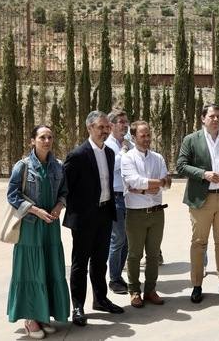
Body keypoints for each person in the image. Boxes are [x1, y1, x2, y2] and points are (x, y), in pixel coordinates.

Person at [6, 125, 69, 339]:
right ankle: (30, 318)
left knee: (49, 269)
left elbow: (64, 192)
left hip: (50, 227)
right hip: (30, 227)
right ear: (32, 140)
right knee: (31, 271)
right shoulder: (22, 166)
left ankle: (43, 315)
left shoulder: (58, 166)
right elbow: (13, 195)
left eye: (50, 137)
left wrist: (59, 207)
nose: (47, 140)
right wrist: (35, 210)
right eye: (42, 137)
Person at [63, 111, 124, 327]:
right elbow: (65, 187)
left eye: (107, 127)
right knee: (80, 264)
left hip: (105, 214)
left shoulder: (109, 153)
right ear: (89, 128)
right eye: (101, 127)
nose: (105, 131)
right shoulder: (78, 155)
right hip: (84, 218)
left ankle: (100, 299)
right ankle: (78, 306)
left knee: (100, 262)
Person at [176, 103, 219, 303]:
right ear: (203, 118)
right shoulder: (191, 140)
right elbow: (181, 165)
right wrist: (204, 174)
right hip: (200, 200)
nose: (216, 120)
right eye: (212, 116)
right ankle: (196, 285)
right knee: (199, 243)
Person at [121, 121, 171, 308]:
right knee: (134, 255)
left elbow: (168, 180)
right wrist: (152, 185)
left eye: (148, 134)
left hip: (157, 213)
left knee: (153, 255)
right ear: (133, 138)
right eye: (143, 135)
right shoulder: (128, 158)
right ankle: (134, 291)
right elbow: (133, 180)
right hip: (136, 214)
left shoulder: (158, 158)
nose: (147, 138)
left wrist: (144, 187)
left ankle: (150, 290)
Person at [104, 109, 132, 295]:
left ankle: (119, 275)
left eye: (126, 121)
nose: (124, 125)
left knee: (128, 240)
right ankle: (114, 279)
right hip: (115, 197)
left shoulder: (126, 144)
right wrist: (123, 152)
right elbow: (112, 166)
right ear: (111, 125)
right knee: (118, 239)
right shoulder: (109, 146)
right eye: (121, 122)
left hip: (129, 196)